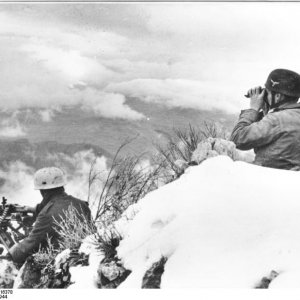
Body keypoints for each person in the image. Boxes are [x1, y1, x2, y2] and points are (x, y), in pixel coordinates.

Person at [8, 167, 91, 264]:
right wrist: (31, 210)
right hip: (86, 254)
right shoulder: (81, 204)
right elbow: (55, 206)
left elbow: (30, 244)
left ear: (43, 191)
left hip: (61, 259)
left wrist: (10, 255)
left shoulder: (46, 215)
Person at [230, 68, 300, 170]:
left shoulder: (275, 120)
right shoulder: (288, 116)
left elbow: (237, 139)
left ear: (277, 97)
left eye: (267, 92)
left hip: (270, 179)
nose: (264, 96)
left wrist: (253, 109)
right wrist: (267, 110)